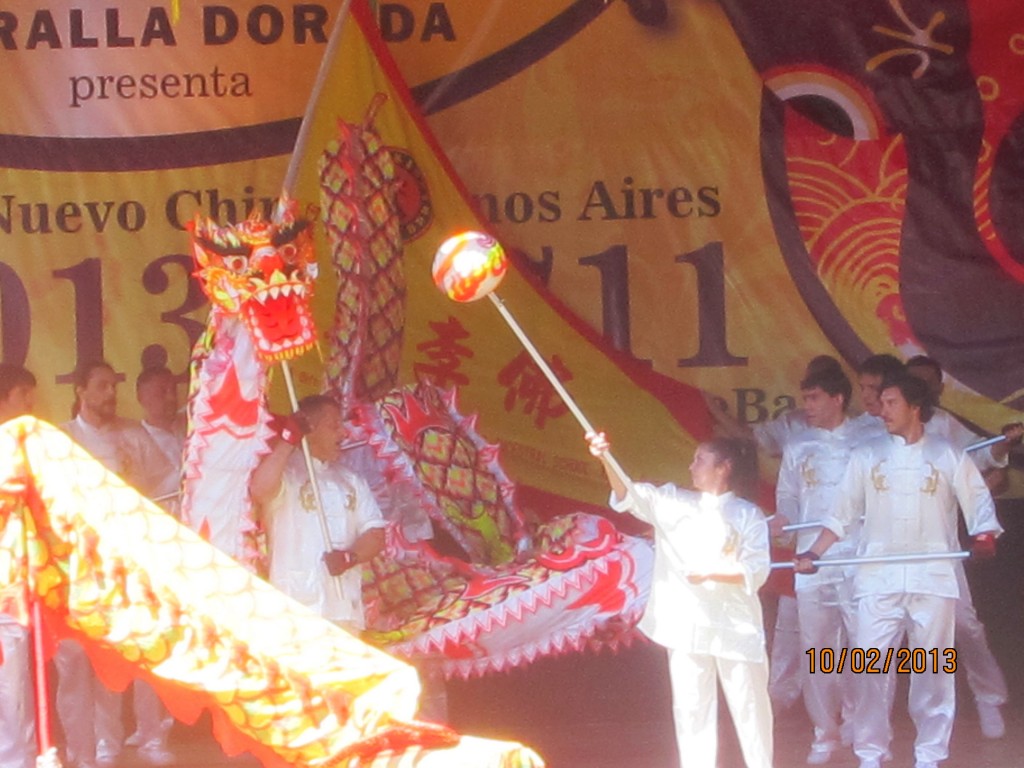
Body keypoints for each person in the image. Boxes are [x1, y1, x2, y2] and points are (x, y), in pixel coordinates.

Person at [794, 373, 1002, 768]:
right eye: (881, 402)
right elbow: (840, 515)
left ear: (914, 408)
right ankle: (871, 752)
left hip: (933, 575)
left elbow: (976, 499)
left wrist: (984, 535)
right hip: (877, 576)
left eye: (890, 403)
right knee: (869, 663)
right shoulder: (867, 455)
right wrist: (813, 553)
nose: (881, 410)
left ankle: (929, 753)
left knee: (932, 665)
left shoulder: (947, 453)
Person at [586, 431, 772, 768]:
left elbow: (757, 569)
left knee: (750, 707)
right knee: (690, 709)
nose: (691, 466)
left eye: (700, 460)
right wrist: (604, 458)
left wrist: (712, 573)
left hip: (735, 626)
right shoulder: (673, 503)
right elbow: (628, 492)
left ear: (723, 468)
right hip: (687, 624)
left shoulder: (747, 515)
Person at [58, 361, 178, 768]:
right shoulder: (62, 440)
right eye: (102, 386)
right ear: (81, 391)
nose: (111, 394)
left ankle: (135, 739)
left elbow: (167, 484)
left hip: (135, 563)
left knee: (135, 651)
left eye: (113, 386)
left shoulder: (133, 434)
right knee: (85, 658)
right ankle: (93, 746)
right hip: (81, 570)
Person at [905, 354, 1021, 738]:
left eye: (926, 383)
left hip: (940, 547)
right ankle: (870, 722)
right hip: (891, 550)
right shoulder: (878, 432)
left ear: (937, 388)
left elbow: (984, 456)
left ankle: (988, 698)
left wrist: (1002, 447)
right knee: (888, 637)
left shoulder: (944, 429)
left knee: (965, 627)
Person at [774, 366, 866, 765]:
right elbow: (788, 500)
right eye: (805, 398)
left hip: (862, 559)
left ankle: (858, 724)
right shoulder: (799, 446)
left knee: (863, 649)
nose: (807, 406)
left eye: (814, 398)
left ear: (838, 398)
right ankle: (824, 732)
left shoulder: (870, 438)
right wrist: (782, 527)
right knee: (818, 650)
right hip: (812, 562)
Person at [250, 394, 386, 631]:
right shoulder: (288, 474)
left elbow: (375, 533)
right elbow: (259, 490)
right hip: (295, 608)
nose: (343, 434)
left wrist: (350, 557)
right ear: (310, 430)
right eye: (334, 426)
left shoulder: (351, 481)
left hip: (344, 610)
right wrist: (288, 440)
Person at [0, 364, 38, 768]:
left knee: (16, 689)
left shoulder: (25, 448)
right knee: (9, 690)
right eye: (23, 397)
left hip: (16, 585)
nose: (31, 406)